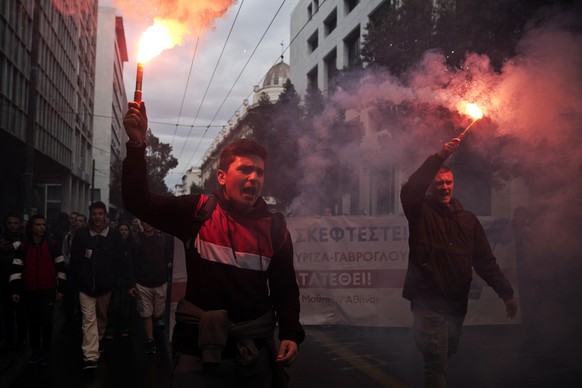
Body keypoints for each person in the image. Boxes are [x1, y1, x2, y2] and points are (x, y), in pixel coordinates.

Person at [123, 101, 305, 387]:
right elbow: (137, 201)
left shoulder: (276, 227)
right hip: (196, 355)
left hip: (254, 355)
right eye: (245, 169)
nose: (254, 178)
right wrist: (136, 143)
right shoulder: (197, 212)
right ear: (222, 177)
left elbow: (284, 289)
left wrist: (291, 333)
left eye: (259, 172)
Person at [400, 138, 518, 388]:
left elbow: (485, 262)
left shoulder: (468, 221)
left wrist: (506, 292)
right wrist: (440, 156)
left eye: (448, 182)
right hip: (428, 302)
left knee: (445, 354)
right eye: (439, 183)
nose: (444, 187)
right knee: (436, 362)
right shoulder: (419, 212)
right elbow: (411, 189)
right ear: (430, 187)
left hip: (455, 303)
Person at [70, 202, 123, 370]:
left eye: (100, 214)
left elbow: (119, 261)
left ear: (105, 215)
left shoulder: (114, 235)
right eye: (94, 214)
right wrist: (79, 280)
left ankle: (97, 340)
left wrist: (113, 280)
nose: (97, 217)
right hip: (85, 287)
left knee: (100, 318)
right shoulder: (81, 235)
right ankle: (90, 356)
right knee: (88, 319)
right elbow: (75, 261)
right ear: (90, 215)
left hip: (105, 287)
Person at [10, 214, 66, 365]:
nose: (42, 227)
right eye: (38, 225)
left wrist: (61, 289)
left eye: (43, 224)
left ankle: (46, 351)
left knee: (46, 321)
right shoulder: (24, 246)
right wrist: (15, 290)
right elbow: (16, 268)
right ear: (31, 227)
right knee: (33, 322)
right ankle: (36, 351)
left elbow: (61, 267)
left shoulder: (51, 245)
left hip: (47, 289)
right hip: (29, 290)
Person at [126, 221, 172, 354]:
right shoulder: (136, 242)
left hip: (160, 283)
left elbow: (168, 256)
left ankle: (154, 326)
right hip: (142, 284)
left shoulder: (163, 239)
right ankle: (150, 340)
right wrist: (131, 285)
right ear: (141, 223)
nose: (147, 224)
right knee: (146, 313)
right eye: (144, 221)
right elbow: (130, 264)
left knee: (157, 313)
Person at [0, 213, 26, 352]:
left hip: (20, 282)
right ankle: (9, 340)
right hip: (4, 282)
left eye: (15, 223)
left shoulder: (25, 239)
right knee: (7, 314)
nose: (12, 226)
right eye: (10, 223)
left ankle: (21, 340)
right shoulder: (2, 239)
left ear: (20, 224)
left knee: (21, 314)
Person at [105, 221, 135, 340]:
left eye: (126, 229)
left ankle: (124, 328)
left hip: (127, 279)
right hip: (115, 278)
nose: (123, 232)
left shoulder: (132, 245)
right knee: (114, 306)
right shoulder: (113, 244)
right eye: (121, 229)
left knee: (126, 306)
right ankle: (112, 328)